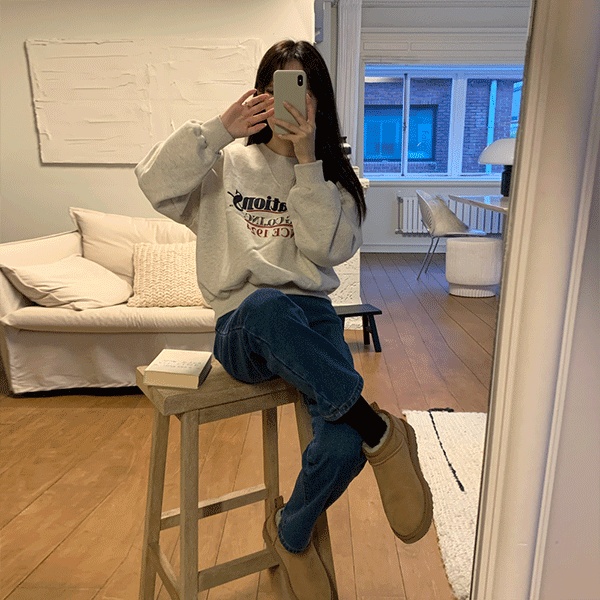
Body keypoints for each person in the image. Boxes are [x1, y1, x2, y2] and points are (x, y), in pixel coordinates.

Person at [135, 39, 432, 600]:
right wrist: (218, 130)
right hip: (243, 327)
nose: (289, 101)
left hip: (313, 321)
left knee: (340, 445)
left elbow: (325, 251)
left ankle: (290, 533)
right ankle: (379, 431)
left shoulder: (335, 178)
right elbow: (153, 182)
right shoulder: (225, 166)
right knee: (266, 305)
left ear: (319, 102)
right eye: (276, 89)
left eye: (302, 90)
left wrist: (307, 163)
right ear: (259, 95)